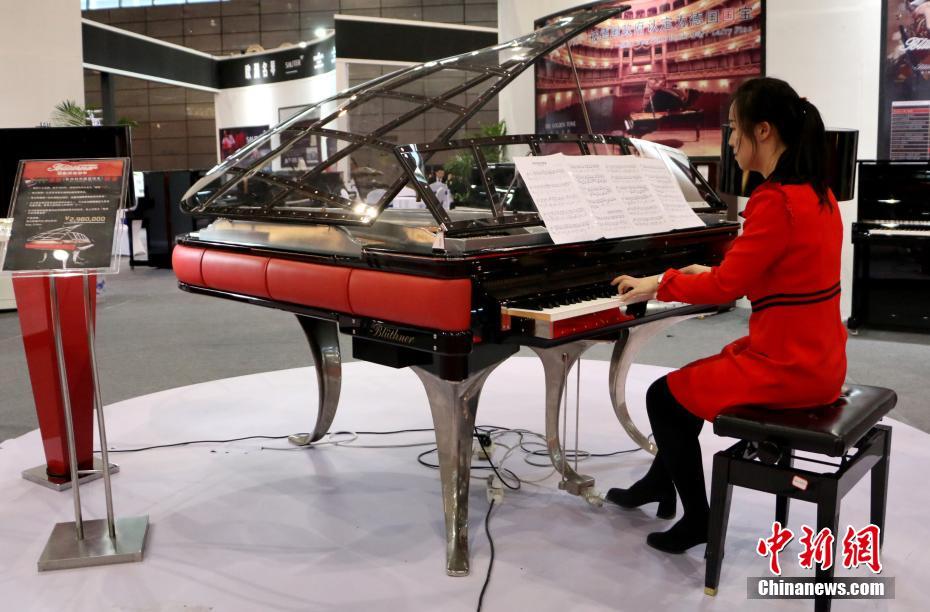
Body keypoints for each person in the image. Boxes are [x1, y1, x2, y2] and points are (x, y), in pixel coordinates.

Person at [608, 77, 847, 554]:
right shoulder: (818, 195)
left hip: (787, 367)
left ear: (763, 131)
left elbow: (725, 287)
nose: (731, 142)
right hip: (819, 359)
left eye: (735, 130)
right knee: (687, 383)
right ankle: (660, 483)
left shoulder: (774, 201)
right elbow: (771, 269)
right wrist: (704, 268)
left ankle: (699, 519)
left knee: (663, 396)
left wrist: (662, 281)